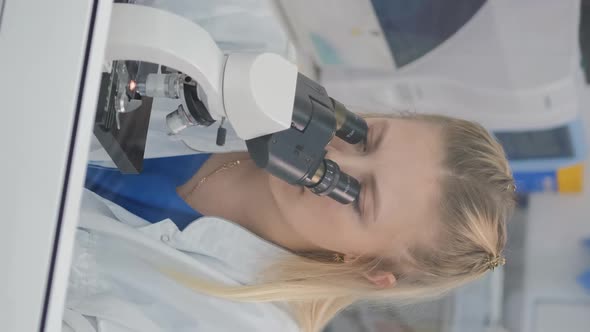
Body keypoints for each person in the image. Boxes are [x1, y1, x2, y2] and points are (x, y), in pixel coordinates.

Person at [64, 113, 515, 332]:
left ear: (366, 265)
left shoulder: (238, 322)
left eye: (360, 196)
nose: (333, 155)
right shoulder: (245, 64)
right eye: (367, 138)